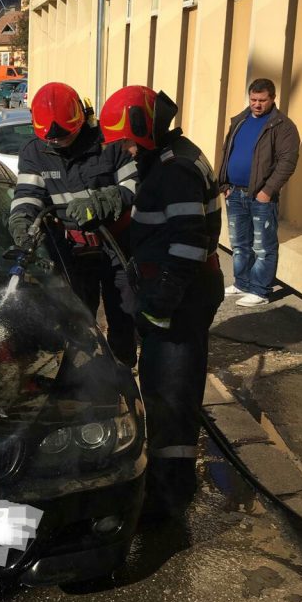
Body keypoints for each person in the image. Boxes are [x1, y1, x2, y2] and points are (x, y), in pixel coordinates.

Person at [100, 84, 225, 515]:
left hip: (180, 301)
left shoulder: (175, 172)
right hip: (177, 295)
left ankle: (169, 497)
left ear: (146, 130)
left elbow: (188, 244)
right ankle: (167, 480)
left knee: (170, 394)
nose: (127, 152)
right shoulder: (174, 156)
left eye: (128, 143)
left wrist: (160, 305)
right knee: (165, 388)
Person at [8, 82, 137, 368]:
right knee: (77, 315)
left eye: (65, 136)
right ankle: (85, 373)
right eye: (52, 140)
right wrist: (21, 223)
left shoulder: (109, 142)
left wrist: (107, 198)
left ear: (82, 119)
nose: (59, 143)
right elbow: (28, 196)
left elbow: (135, 184)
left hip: (116, 246)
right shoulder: (35, 151)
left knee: (123, 314)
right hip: (73, 251)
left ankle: (124, 368)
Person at [218, 78, 300, 306]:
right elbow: (227, 152)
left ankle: (260, 289)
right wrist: (224, 185)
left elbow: (287, 162)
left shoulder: (283, 126)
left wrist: (267, 190)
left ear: (273, 99)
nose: (257, 104)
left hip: (261, 196)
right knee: (239, 243)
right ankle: (242, 283)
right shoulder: (240, 120)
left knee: (262, 245)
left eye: (262, 100)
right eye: (253, 99)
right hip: (234, 193)